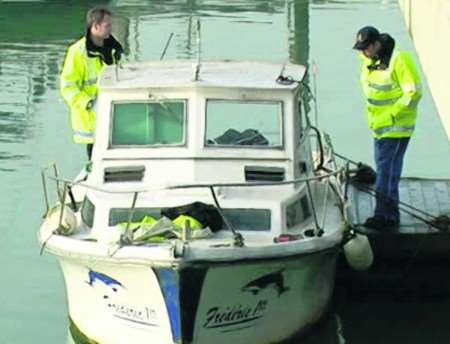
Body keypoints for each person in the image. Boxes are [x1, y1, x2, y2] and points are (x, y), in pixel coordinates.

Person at [353, 26, 422, 229]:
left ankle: (384, 216)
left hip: (395, 126)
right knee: (388, 170)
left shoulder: (399, 60)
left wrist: (391, 115)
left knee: (386, 172)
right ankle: (389, 214)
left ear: (376, 44)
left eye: (366, 48)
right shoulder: (371, 60)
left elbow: (414, 93)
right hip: (380, 126)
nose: (362, 52)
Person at [60, 6, 123, 159]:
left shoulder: (113, 48)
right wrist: (89, 103)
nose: (111, 29)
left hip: (113, 115)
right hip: (91, 119)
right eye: (107, 25)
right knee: (95, 159)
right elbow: (68, 87)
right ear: (95, 26)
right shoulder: (77, 52)